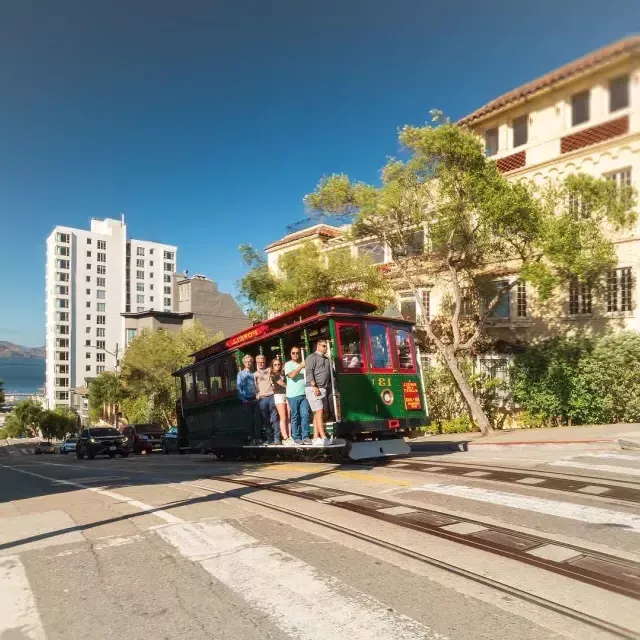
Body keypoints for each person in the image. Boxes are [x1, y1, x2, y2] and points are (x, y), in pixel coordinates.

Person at [305, 339, 331, 446]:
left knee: (317, 413)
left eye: (326, 346)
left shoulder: (326, 359)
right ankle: (323, 437)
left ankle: (316, 437)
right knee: (319, 412)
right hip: (314, 388)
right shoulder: (312, 357)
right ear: (318, 346)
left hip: (323, 388)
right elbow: (309, 372)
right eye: (323, 346)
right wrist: (314, 386)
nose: (325, 348)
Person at [285, 347, 312, 445]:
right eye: (293, 353)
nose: (295, 354)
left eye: (297, 353)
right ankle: (296, 437)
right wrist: (301, 366)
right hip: (293, 395)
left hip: (304, 394)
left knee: (305, 415)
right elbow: (292, 375)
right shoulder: (288, 364)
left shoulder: (303, 364)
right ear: (290, 354)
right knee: (295, 416)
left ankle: (306, 436)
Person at [254, 354, 280, 445]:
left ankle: (277, 439)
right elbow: (254, 386)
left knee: (275, 418)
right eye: (259, 362)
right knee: (266, 419)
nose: (261, 364)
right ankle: (269, 439)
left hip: (271, 396)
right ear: (256, 362)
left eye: (263, 362)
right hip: (262, 399)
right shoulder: (255, 374)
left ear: (265, 362)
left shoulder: (269, 370)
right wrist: (257, 394)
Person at [236, 354, 261, 443]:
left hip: (255, 399)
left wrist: (258, 394)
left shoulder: (253, 373)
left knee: (257, 419)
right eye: (246, 362)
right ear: (244, 363)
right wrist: (244, 400)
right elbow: (239, 388)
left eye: (250, 361)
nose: (248, 363)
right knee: (250, 420)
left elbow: (256, 385)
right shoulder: (241, 374)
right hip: (247, 399)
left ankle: (258, 437)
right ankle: (252, 438)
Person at [270, 359, 293, 445]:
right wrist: (292, 387)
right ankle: (285, 437)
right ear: (272, 366)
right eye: (275, 364)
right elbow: (282, 384)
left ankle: (290, 436)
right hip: (279, 396)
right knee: (283, 416)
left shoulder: (283, 373)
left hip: (287, 394)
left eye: (278, 364)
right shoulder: (273, 375)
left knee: (289, 416)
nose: (277, 366)